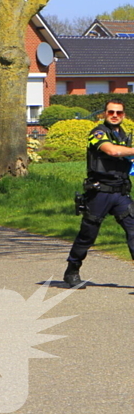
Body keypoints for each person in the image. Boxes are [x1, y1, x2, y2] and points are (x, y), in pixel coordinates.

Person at [64, 99, 134, 288]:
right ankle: (72, 269)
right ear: (104, 114)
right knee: (88, 234)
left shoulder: (124, 135)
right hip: (99, 193)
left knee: (133, 230)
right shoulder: (97, 132)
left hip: (120, 193)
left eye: (119, 113)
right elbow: (111, 151)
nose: (114, 115)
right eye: (111, 112)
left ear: (123, 115)